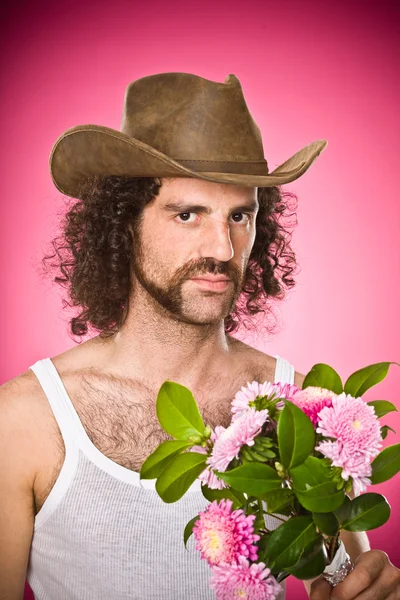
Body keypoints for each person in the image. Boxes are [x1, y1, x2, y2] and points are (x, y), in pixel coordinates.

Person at [0, 72, 398, 600]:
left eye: (240, 216)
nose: (224, 249)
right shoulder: (25, 420)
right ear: (123, 223)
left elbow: (345, 578)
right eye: (188, 214)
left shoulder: (305, 410)